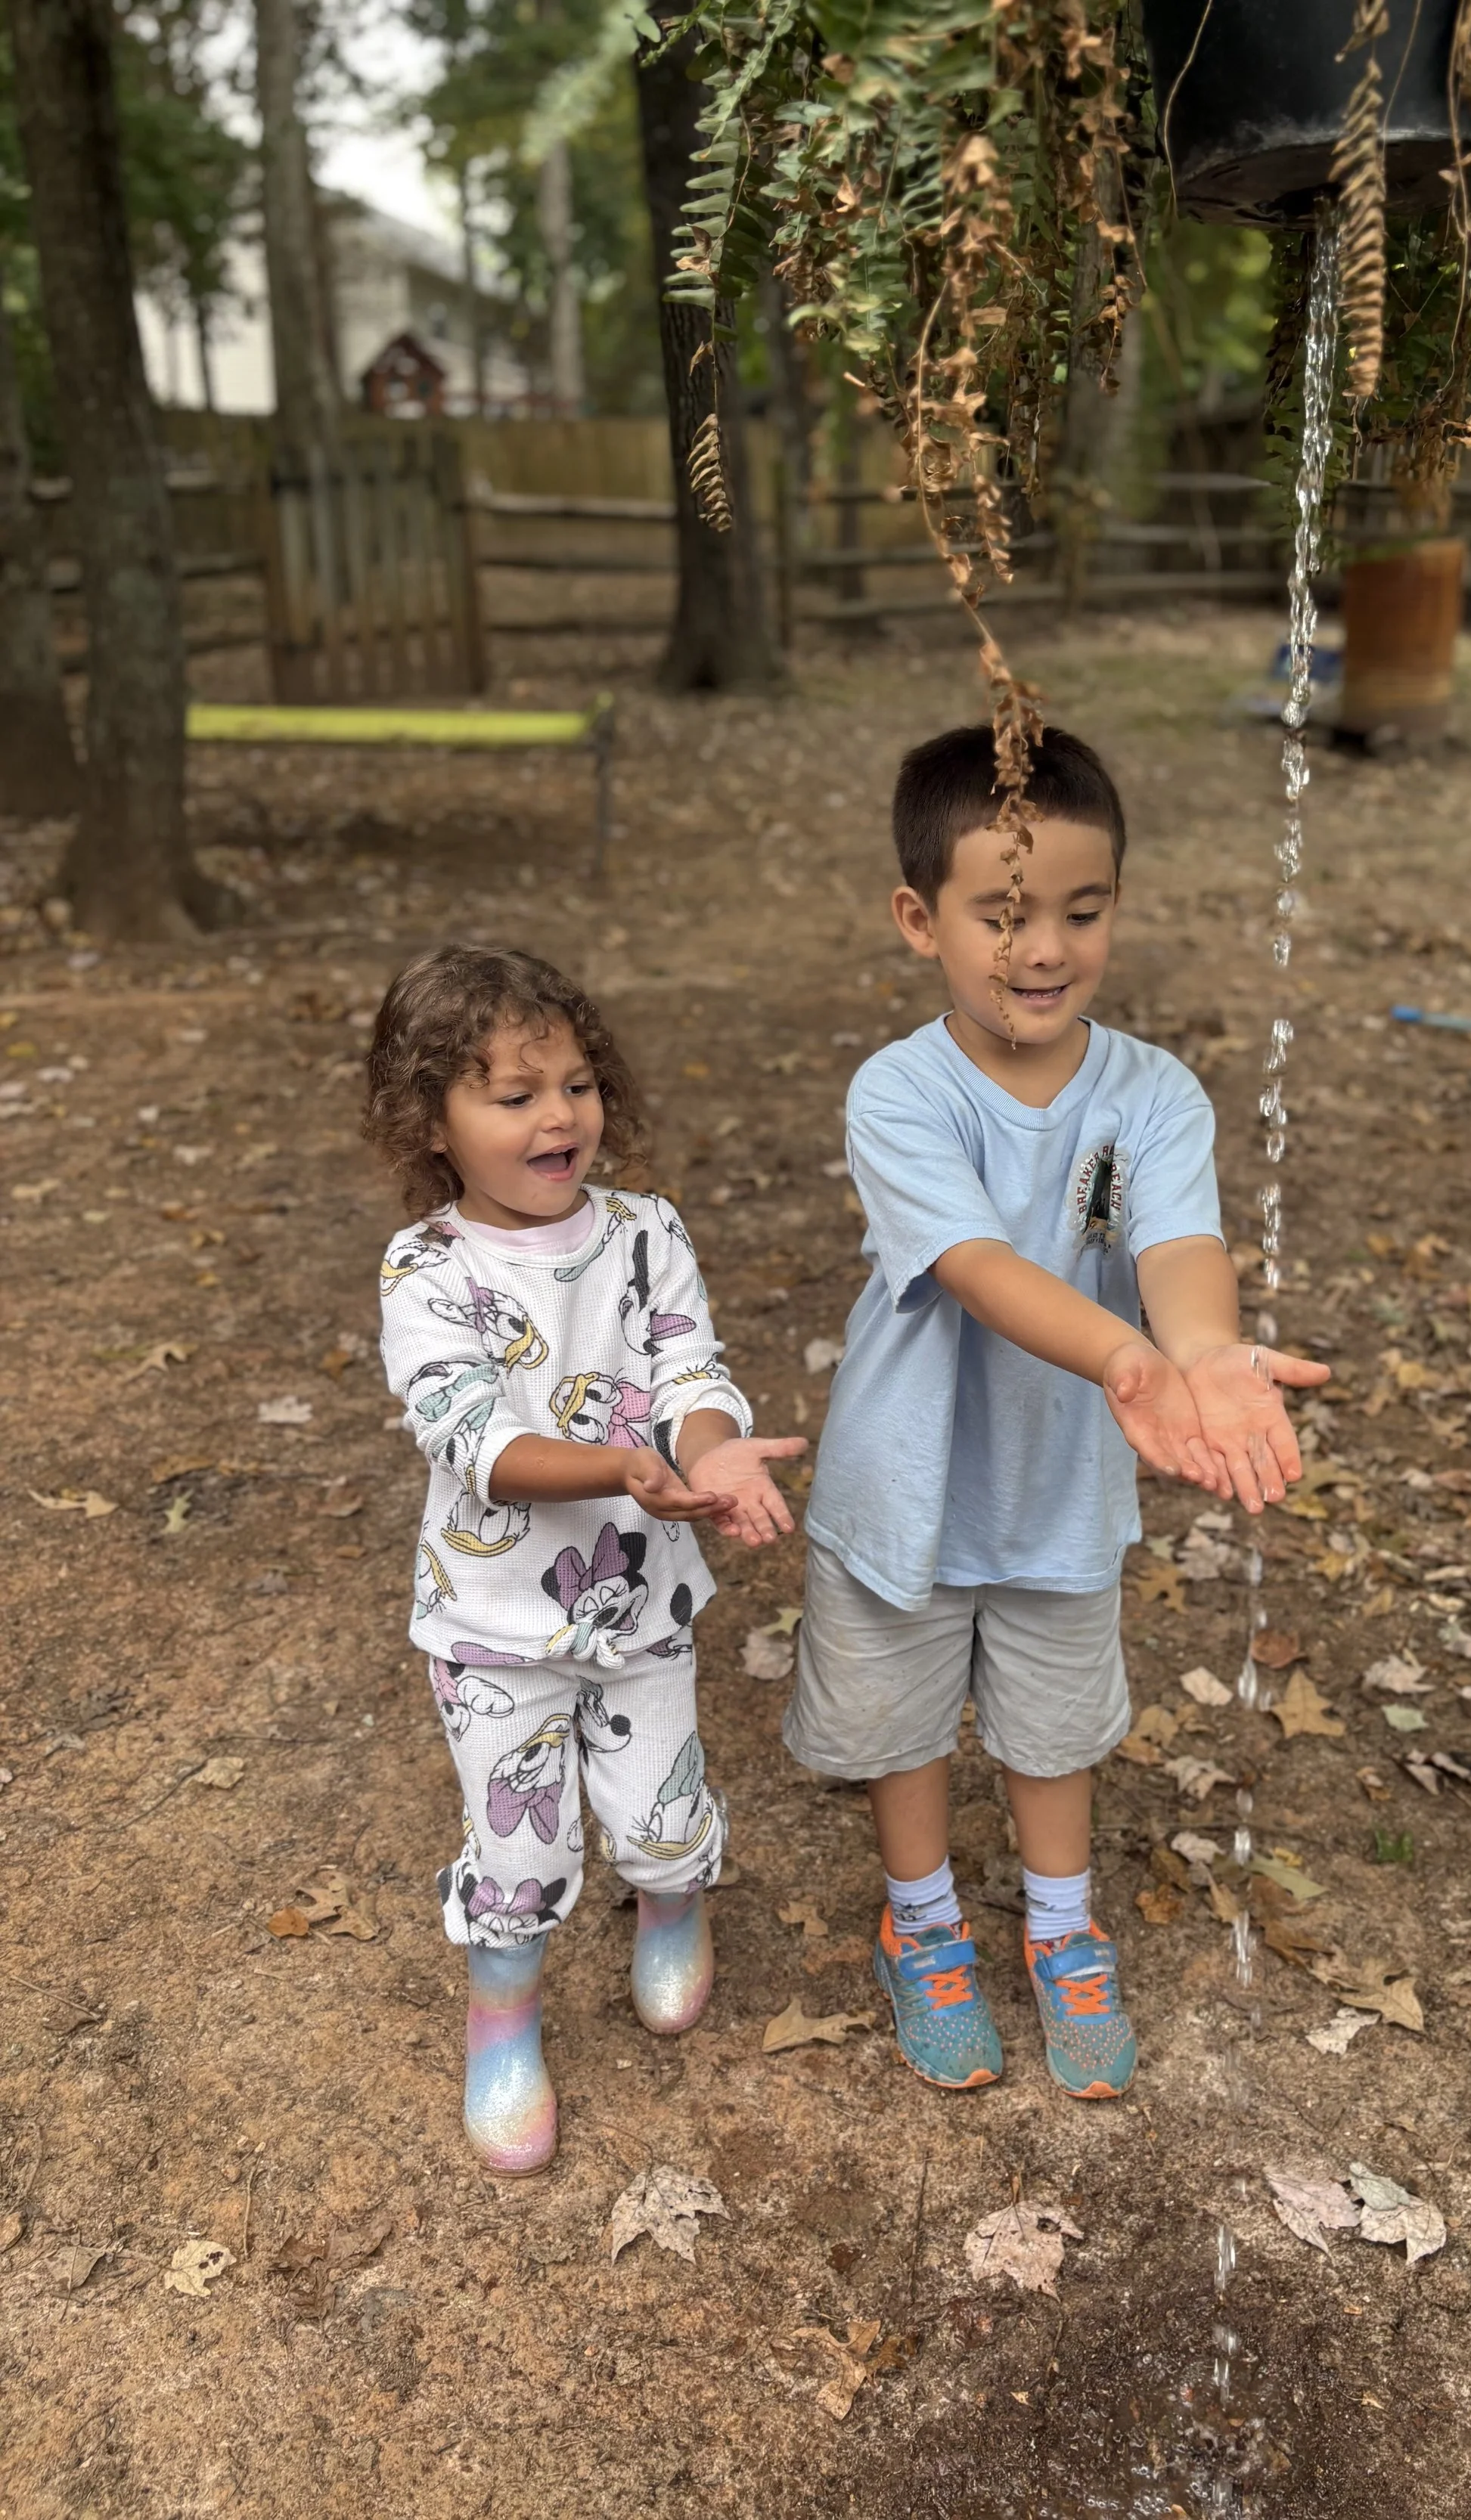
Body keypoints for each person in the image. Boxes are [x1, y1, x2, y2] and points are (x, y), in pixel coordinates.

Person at [786, 727, 1327, 2100]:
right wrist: (1129, 1364)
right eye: (1003, 916)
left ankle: (1061, 1929)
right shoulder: (901, 1092)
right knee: (902, 1722)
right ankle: (923, 1932)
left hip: (1060, 1485)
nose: (1044, 950)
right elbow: (976, 1265)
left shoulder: (1153, 1094)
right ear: (921, 919)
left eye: (1082, 913)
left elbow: (1180, 1246)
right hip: (906, 1481)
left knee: (1053, 1724)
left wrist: (1200, 1350)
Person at [365, 945, 803, 2173]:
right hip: (493, 1623)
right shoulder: (427, 1268)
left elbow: (689, 1369)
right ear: (433, 1124)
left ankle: (670, 1900)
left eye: (576, 1084)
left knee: (659, 1811)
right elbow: (475, 1442)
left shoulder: (646, 1232)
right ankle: (503, 2013)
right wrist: (622, 1466)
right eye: (515, 1096)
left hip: (642, 1597)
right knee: (522, 1846)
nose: (558, 1116)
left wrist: (709, 1451)